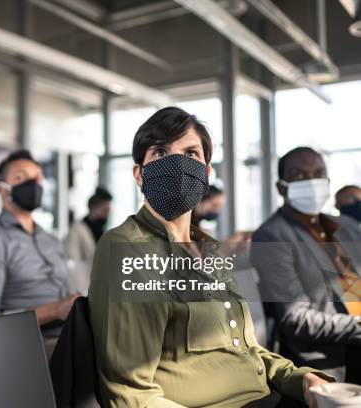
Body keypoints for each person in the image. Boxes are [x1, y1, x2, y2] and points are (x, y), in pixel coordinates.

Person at [89, 107, 332, 408]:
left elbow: (246, 350)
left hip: (268, 396)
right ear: (140, 174)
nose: (178, 163)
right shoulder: (128, 247)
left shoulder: (207, 247)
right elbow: (130, 393)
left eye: (191, 154)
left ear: (205, 173)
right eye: (161, 152)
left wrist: (299, 377)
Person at [251, 147, 361, 382]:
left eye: (318, 173)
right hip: (330, 356)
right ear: (281, 187)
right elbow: (295, 318)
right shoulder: (272, 236)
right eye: (300, 175)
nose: (312, 181)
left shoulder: (346, 226)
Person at [0, 150, 78, 354]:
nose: (33, 183)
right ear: (2, 189)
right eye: (20, 177)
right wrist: (53, 311)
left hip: (70, 333)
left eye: (37, 177)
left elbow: (68, 296)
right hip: (30, 344)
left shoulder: (50, 240)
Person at [65, 186, 112, 295]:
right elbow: (73, 263)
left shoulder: (102, 231)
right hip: (83, 289)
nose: (107, 214)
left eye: (108, 210)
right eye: (105, 210)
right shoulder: (77, 230)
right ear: (94, 208)